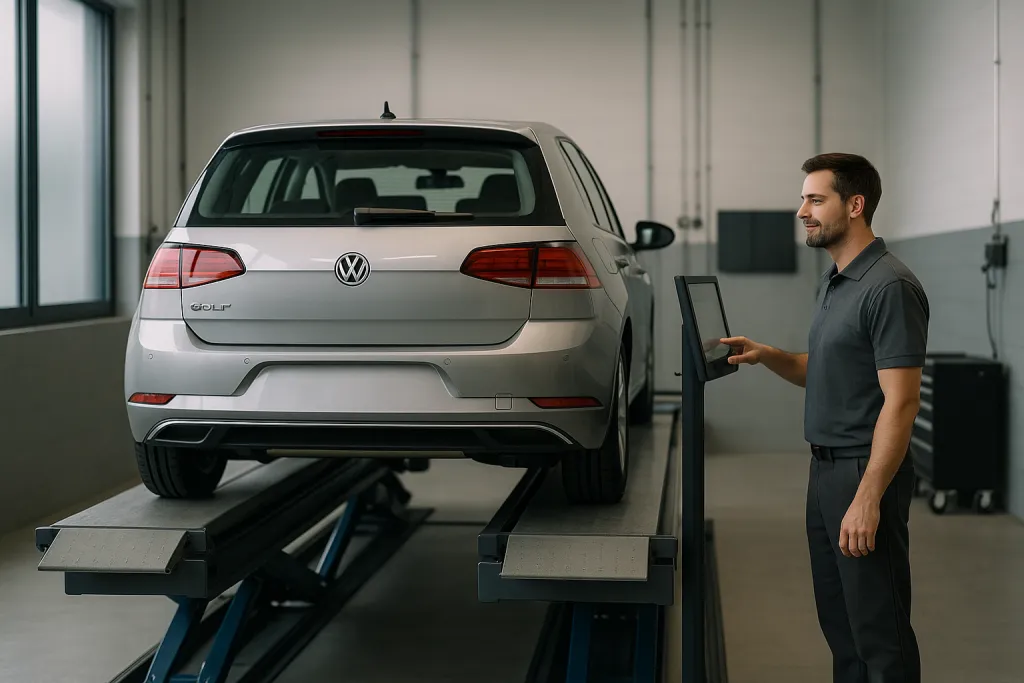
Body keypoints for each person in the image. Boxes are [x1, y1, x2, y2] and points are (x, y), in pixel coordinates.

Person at [721, 153, 929, 683]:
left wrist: (867, 498)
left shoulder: (889, 287)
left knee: (879, 634)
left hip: (863, 473)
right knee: (843, 630)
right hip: (825, 473)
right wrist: (769, 354)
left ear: (855, 205)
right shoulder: (837, 282)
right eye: (803, 199)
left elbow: (901, 401)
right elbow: (827, 370)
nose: (802, 212)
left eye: (816, 200)